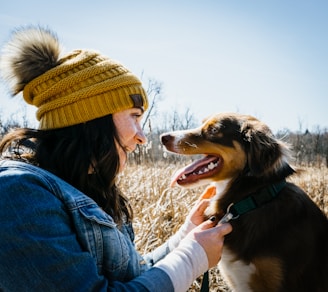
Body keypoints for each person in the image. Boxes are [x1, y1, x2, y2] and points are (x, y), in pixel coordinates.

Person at [0, 25, 232, 291]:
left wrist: (185, 237)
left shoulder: (87, 189)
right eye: (134, 115)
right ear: (89, 118)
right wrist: (191, 259)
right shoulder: (15, 193)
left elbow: (134, 276)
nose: (142, 137)